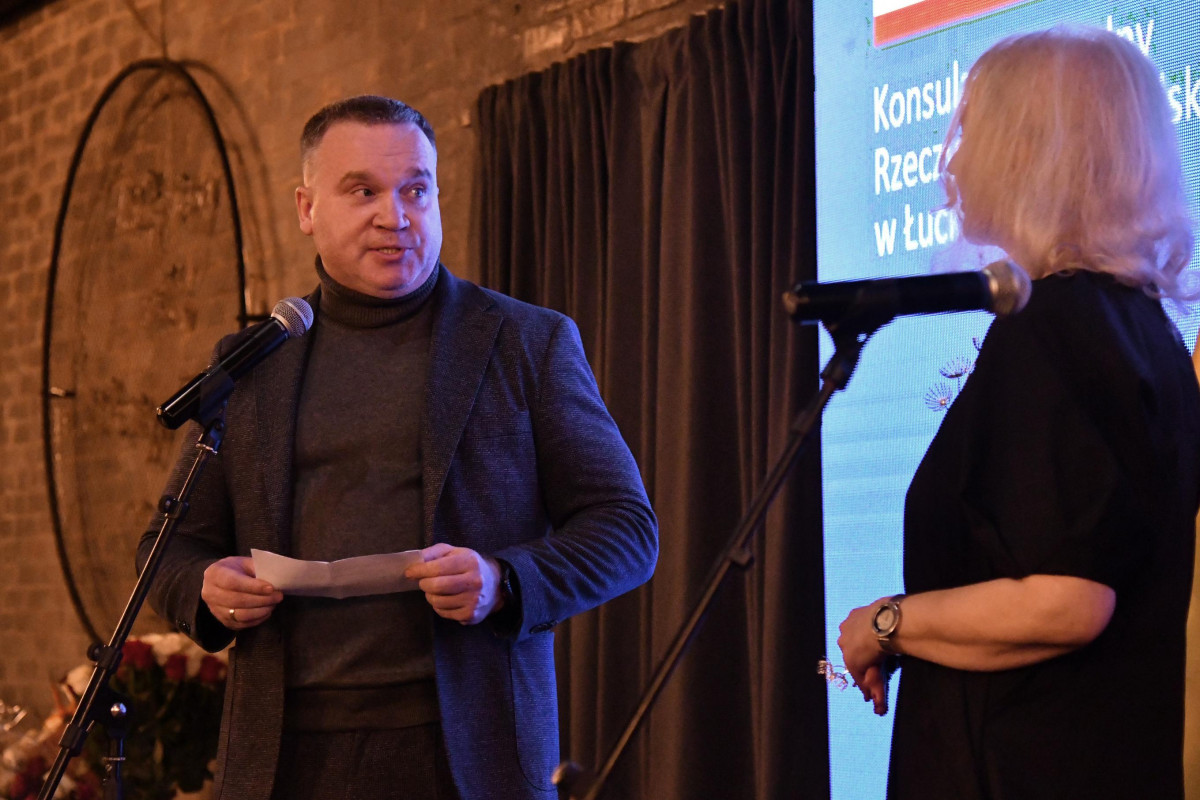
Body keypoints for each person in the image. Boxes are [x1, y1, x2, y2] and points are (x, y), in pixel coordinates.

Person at [137, 95, 658, 800]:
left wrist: (504, 579)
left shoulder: (525, 342)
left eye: (416, 190)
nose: (396, 215)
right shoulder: (255, 363)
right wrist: (205, 586)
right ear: (306, 208)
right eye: (363, 191)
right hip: (283, 757)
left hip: (469, 754)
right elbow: (167, 547)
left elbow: (627, 530)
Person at [837, 26, 1200, 799]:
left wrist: (885, 623)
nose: (951, 161)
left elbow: (1065, 603)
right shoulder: (1141, 329)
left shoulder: (1053, 326)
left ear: (1031, 149)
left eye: (972, 129)